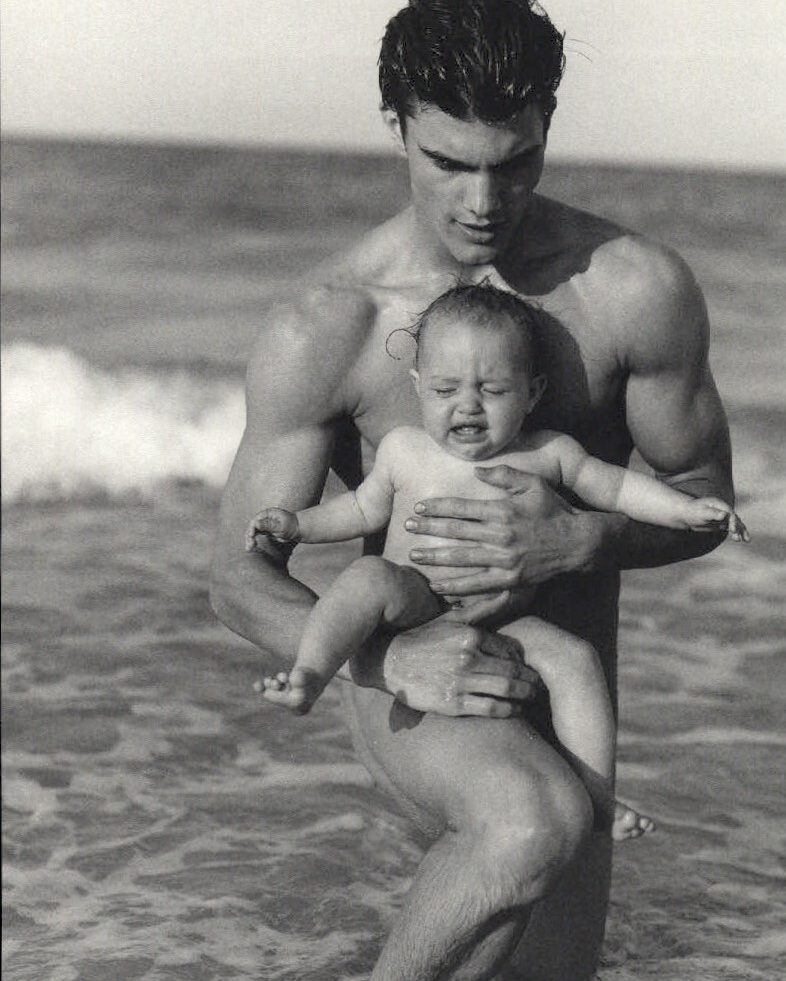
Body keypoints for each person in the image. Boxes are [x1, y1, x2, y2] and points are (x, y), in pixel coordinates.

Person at [210, 0, 741, 981]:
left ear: (547, 124)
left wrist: (579, 540)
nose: (482, 204)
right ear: (394, 124)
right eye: (446, 162)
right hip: (410, 676)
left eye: (514, 163)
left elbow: (702, 496)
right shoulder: (335, 324)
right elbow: (235, 573)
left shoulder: (633, 292)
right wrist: (383, 653)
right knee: (518, 830)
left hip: (566, 692)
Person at [244, 282, 747, 837]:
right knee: (365, 576)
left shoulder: (549, 453)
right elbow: (360, 511)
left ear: (531, 393)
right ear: (418, 388)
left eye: (493, 389)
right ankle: (309, 676)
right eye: (445, 388)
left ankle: (598, 798)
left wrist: (690, 510)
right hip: (414, 596)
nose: (468, 405)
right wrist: (299, 525)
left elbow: (619, 489)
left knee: (577, 660)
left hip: (506, 615)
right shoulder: (405, 449)